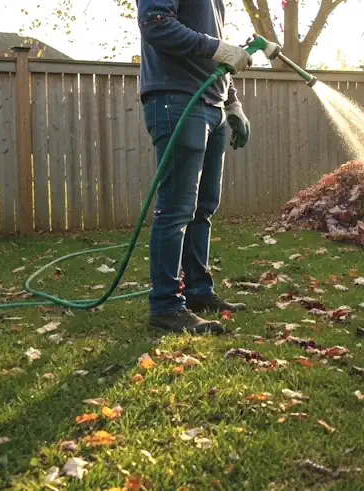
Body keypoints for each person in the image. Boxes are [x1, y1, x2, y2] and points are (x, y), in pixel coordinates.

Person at [136, 0, 271, 334]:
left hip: (212, 104)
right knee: (176, 209)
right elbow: (155, 23)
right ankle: (166, 305)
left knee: (203, 207)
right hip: (177, 99)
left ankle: (198, 291)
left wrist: (233, 103)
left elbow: (216, 56)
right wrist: (219, 49)